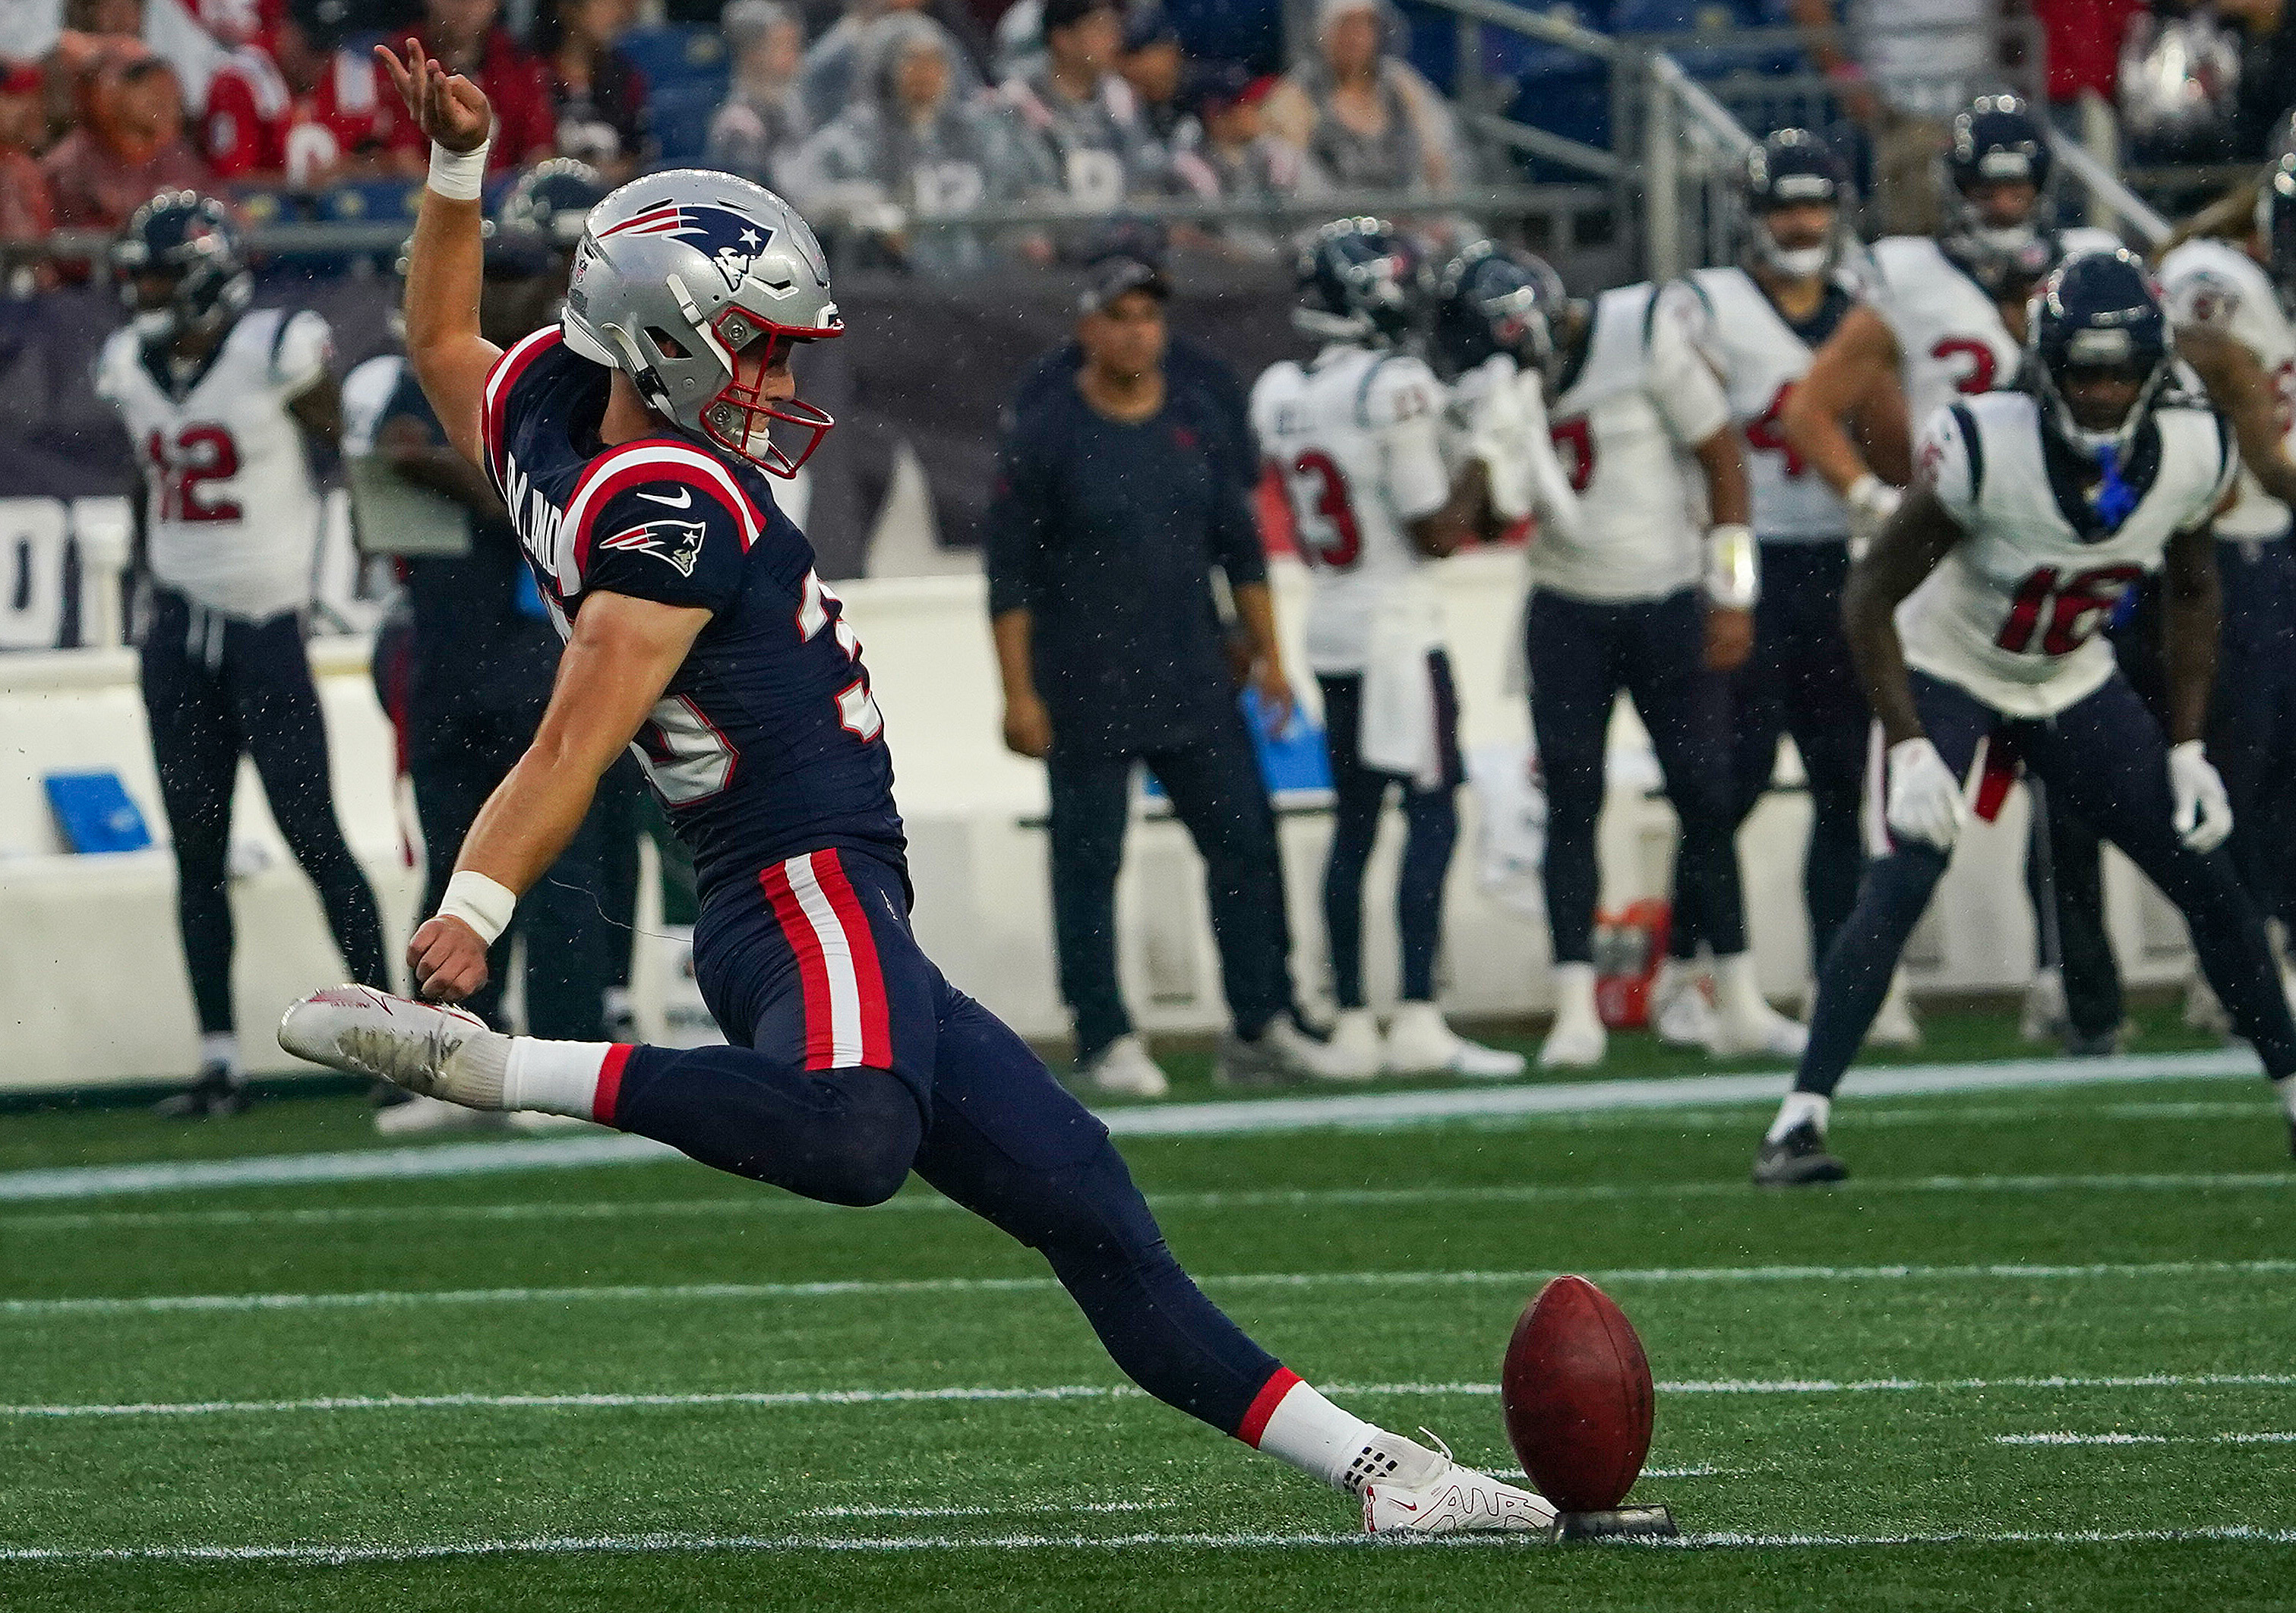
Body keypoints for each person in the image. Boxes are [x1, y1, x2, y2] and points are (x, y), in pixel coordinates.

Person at [281, 43, 1555, 1536]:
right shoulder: (671, 502)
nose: (776, 377)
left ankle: (1375, 1471)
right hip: (794, 878)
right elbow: (569, 739)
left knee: (1084, 1200)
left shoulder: (556, 425)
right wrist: (475, 914)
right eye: (755, 347)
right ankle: (499, 1069)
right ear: (670, 343)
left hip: (827, 897)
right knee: (852, 1139)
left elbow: (440, 337)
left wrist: (450, 168)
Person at [1754, 250, 2296, 1183]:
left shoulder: (2196, 451)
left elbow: (2195, 590)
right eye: (2080, 370)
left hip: (2067, 674)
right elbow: (1869, 597)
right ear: (2043, 366)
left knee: (2204, 874)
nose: (2098, 390)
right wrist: (1914, 744)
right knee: (1906, 872)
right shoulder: (1981, 443)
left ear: (2153, 369)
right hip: (1948, 663)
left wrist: (2188, 744)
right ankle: (1796, 1122)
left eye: (2118, 370)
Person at [1784, 93, 2124, 1050]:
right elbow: (1815, 406)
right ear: (1957, 189)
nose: (2006, 202)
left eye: (2019, 185)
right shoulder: (1907, 276)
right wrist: (1870, 501)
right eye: (1988, 185)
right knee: (1902, 784)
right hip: (1944, 563)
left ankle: (2068, 981)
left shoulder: (2077, 277)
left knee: (2071, 793)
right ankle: (1871, 991)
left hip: (2050, 558)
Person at [988, 253, 1344, 1096]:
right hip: (1085, 684)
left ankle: (1260, 1022)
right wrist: (1017, 693)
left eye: (1149, 315)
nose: (1136, 330)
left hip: (1194, 676)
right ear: (1086, 329)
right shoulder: (1045, 435)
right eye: (1119, 315)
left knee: (1245, 846)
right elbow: (1008, 578)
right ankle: (1104, 1032)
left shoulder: (1195, 420)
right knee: (1088, 863)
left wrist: (1270, 658)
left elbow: (1240, 550)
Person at [1448, 242, 1787, 1068]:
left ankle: (1733, 992)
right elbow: (1484, 527)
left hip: (1669, 596)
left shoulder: (1639, 332)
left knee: (1705, 795)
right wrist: (1490, 458)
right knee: (1571, 804)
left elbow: (1722, 460)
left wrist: (1732, 590)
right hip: (1564, 607)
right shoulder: (1491, 382)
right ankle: (1574, 1006)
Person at [97, 193, 389, 1115]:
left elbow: (351, 448)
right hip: (178, 634)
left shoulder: (277, 351)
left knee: (316, 837)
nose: (141, 291)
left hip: (267, 630)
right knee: (196, 850)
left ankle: (398, 1042)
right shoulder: (127, 366)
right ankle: (219, 1057)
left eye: (156, 274)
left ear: (204, 279)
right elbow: (149, 482)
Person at [357, 162, 632, 1133]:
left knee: (557, 869)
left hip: (542, 652)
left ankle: (554, 1066)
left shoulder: (568, 386)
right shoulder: (407, 379)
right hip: (444, 642)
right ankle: (446, 1061)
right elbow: (376, 509)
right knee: (449, 860)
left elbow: (551, 513)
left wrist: (436, 470)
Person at [1249, 220, 1525, 1081]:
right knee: (1432, 813)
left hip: (1331, 629)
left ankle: (1353, 1020)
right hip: (1399, 632)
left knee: (1356, 825)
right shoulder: (1393, 384)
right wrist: (1482, 445)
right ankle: (1413, 1011)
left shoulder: (1280, 391)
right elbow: (1437, 532)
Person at [1667, 131, 1896, 1040]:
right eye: (1782, 206)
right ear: (1750, 218)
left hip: (1835, 560)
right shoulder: (1704, 307)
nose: (1799, 223)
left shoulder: (1863, 313)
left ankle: (1835, 980)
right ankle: (1691, 967)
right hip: (1743, 561)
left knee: (1842, 778)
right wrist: (1728, 588)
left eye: (1812, 205)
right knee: (1731, 778)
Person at [2155, 161, 2296, 993]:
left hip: (2274, 540)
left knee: (2279, 763)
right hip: (2214, 546)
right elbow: (2192, 354)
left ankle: (2264, 940)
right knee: (2236, 761)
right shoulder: (2213, 279)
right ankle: (2230, 962)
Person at [779, 12, 1038, 276]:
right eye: (913, 61)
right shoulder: (854, 138)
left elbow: (1017, 191)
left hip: (982, 285)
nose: (926, 74)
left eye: (935, 61)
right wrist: (867, 206)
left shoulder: (976, 133)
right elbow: (803, 194)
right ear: (885, 69)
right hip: (889, 288)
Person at [1261, 0, 1460, 195]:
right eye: (1345, 26)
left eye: (1365, 25)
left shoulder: (1401, 85)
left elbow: (1439, 156)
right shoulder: (1299, 90)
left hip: (1409, 216)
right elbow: (1291, 173)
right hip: (1326, 220)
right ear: (1324, 33)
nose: (1355, 37)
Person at [199, 0, 408, 186]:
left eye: (330, 46)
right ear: (285, 28)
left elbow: (404, 162)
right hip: (269, 224)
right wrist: (303, 182)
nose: (321, 60)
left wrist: (355, 169)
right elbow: (230, 183)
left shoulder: (358, 76)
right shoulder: (241, 81)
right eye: (313, 46)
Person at [999, 0, 1160, 222]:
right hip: (1057, 241)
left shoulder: (1122, 97)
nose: (1114, 39)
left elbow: (1145, 173)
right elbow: (1024, 187)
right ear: (1063, 39)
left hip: (1125, 240)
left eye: (1115, 27)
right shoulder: (1019, 102)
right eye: (1099, 28)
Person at [42, 47, 211, 229]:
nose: (167, 106)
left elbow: (218, 215)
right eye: (154, 94)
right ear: (114, 97)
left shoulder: (177, 155)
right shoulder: (73, 162)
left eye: (174, 98)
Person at [384, 0, 554, 173]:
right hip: (418, 197)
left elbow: (540, 152)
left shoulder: (520, 63)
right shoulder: (400, 58)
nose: (464, 5)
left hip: (506, 195)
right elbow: (402, 158)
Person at [536, 0, 651, 183]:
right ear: (570, 9)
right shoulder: (532, 76)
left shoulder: (628, 79)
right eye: (604, 3)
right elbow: (534, 158)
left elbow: (635, 157)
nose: (616, 13)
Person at [705, 0, 810, 183]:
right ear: (753, 54)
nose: (794, 57)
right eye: (783, 46)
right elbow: (747, 199)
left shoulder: (793, 104)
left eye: (795, 46)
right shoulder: (739, 125)